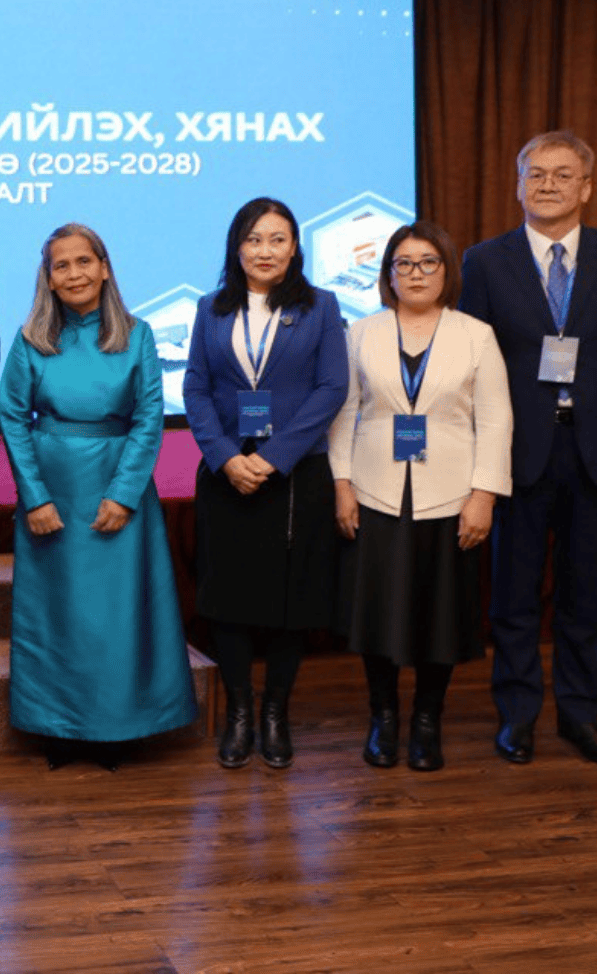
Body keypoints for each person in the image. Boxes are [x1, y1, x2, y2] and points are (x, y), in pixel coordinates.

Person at [460, 130, 597, 768]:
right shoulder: (484, 262)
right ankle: (517, 718)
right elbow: (469, 368)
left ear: (587, 187)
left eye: (563, 174)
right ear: (519, 185)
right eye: (536, 174)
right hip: (516, 454)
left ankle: (580, 717)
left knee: (582, 598)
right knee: (513, 598)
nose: (548, 184)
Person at [0, 223, 196, 770]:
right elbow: (13, 419)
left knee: (118, 615)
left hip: (117, 490)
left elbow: (149, 418)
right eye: (61, 265)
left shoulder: (138, 335)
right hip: (52, 493)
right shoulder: (29, 339)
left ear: (104, 267)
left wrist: (125, 494)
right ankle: (57, 728)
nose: (74, 273)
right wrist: (35, 497)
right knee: (56, 614)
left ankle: (121, 727)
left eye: (84, 261)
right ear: (49, 278)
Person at [329, 221, 512, 772]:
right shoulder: (360, 333)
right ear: (387, 274)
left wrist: (484, 494)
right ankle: (383, 717)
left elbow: (497, 419)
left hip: (450, 496)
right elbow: (342, 413)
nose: (416, 273)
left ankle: (427, 721)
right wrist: (341, 484)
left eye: (427, 262)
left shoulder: (475, 335)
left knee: (441, 615)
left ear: (446, 270)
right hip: (376, 491)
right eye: (403, 263)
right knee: (377, 615)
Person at [181, 197, 347, 771]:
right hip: (226, 473)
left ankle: (275, 714)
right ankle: (240, 715)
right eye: (254, 239)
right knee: (229, 603)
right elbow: (196, 389)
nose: (265, 250)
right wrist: (227, 457)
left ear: (295, 247)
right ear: (237, 246)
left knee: (288, 601)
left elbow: (331, 389)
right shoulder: (211, 309)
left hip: (295, 474)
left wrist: (273, 458)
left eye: (277, 239)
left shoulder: (321, 307)